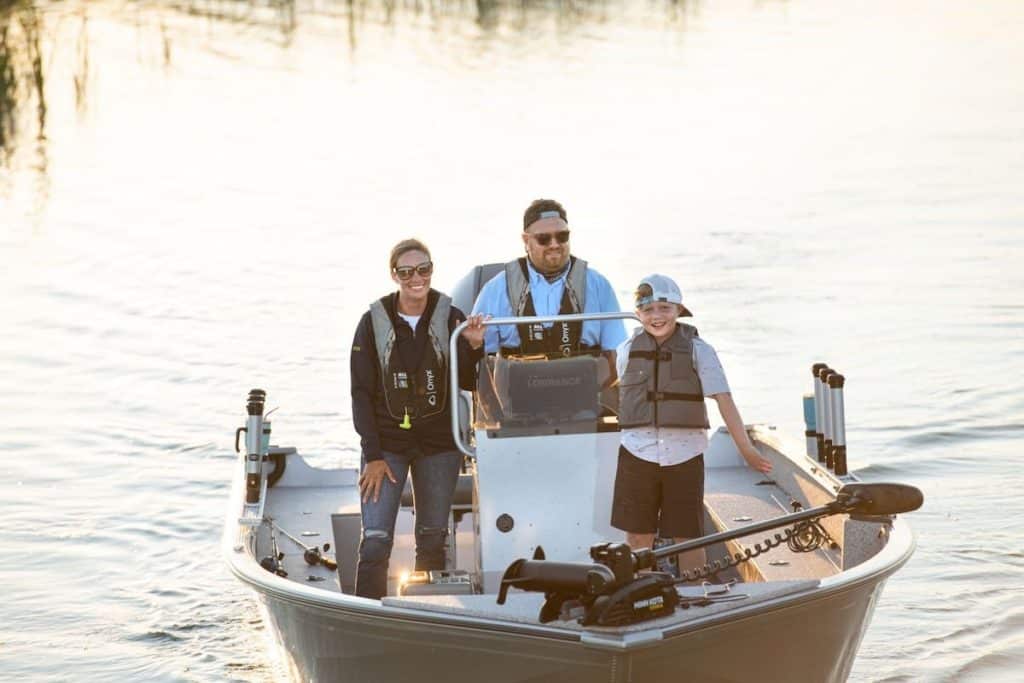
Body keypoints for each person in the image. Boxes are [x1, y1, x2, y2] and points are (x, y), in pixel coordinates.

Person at [349, 238, 486, 599]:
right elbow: (360, 393)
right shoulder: (371, 323)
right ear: (394, 275)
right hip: (386, 448)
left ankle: (429, 612)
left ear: (431, 270)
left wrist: (474, 346)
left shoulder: (452, 317)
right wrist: (373, 455)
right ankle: (368, 615)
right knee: (376, 542)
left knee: (431, 539)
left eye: (423, 269)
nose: (416, 278)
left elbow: (469, 382)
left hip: (439, 447)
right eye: (407, 271)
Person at [610, 274, 773, 574]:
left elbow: (724, 400)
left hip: (684, 455)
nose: (656, 316)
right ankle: (640, 590)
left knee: (688, 536)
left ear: (679, 310)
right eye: (648, 310)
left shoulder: (700, 350)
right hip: (637, 454)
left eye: (664, 308)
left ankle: (694, 590)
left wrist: (746, 449)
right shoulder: (625, 351)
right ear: (638, 314)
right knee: (637, 536)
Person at [471, 198, 627, 361]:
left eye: (562, 236)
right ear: (526, 240)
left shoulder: (599, 286)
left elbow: (618, 352)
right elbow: (482, 363)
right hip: (519, 385)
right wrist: (474, 344)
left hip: (586, 385)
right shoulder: (495, 290)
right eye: (544, 238)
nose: (554, 244)